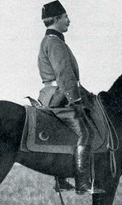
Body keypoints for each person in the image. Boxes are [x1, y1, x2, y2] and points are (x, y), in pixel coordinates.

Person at [37, 1, 100, 194]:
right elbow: (65, 75)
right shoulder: (55, 43)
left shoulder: (50, 41)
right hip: (60, 98)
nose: (69, 21)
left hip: (53, 94)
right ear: (56, 19)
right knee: (86, 133)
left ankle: (61, 178)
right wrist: (77, 102)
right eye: (66, 17)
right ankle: (82, 183)